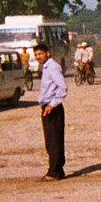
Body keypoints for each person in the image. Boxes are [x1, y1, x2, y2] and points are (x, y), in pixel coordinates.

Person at [33, 42, 66, 181]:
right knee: (51, 141)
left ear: (47, 53)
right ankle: (56, 170)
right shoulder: (45, 68)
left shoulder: (52, 67)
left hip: (52, 109)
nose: (38, 57)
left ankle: (54, 172)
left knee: (54, 141)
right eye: (36, 55)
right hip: (47, 107)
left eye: (40, 54)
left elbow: (63, 88)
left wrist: (52, 105)